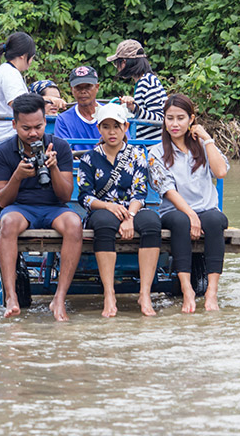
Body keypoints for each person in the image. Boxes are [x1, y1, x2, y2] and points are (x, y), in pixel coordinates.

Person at [0, 93, 83, 321]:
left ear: (45, 122)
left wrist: (52, 168)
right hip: (20, 208)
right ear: (14, 125)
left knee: (74, 223)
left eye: (38, 127)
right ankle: (12, 296)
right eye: (26, 128)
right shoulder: (3, 152)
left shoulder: (59, 147)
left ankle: (59, 298)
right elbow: (3, 201)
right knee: (9, 223)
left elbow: (65, 195)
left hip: (53, 207)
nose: (33, 133)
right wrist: (17, 176)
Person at [77, 103, 162, 317]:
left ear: (125, 127)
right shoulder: (89, 158)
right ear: (99, 129)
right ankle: (109, 294)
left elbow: (140, 192)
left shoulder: (136, 156)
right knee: (104, 223)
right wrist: (108, 206)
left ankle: (145, 293)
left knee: (152, 223)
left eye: (116, 126)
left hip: (132, 210)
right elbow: (85, 196)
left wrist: (130, 217)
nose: (112, 132)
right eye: (106, 127)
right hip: (102, 209)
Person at [147, 93, 229, 313]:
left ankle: (211, 292)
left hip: (206, 209)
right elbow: (167, 190)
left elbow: (220, 171)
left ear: (191, 119)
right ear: (164, 119)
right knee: (181, 221)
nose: (174, 124)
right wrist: (191, 214)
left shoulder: (202, 146)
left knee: (215, 220)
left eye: (180, 118)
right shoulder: (156, 152)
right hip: (174, 211)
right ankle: (187, 290)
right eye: (170, 118)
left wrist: (207, 139)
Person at [0, 32, 35, 152]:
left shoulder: (8, 71)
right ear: (23, 55)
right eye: (32, 57)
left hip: (2, 136)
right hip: (3, 137)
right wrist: (47, 101)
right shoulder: (9, 74)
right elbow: (19, 105)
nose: (31, 61)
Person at [107, 39, 166, 140]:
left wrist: (134, 108)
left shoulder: (147, 81)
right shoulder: (143, 81)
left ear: (124, 62)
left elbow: (159, 118)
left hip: (153, 147)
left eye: (117, 63)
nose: (117, 67)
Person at [54, 65, 102, 151]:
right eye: (78, 87)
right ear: (72, 89)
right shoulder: (63, 120)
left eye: (88, 86)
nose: (83, 91)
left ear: (97, 87)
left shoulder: (110, 113)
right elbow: (64, 152)